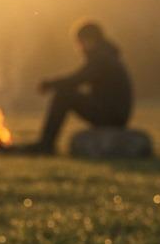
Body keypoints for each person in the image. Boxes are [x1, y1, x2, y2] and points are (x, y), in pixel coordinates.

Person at [28, 20, 133, 153]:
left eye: (79, 43)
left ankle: (46, 144)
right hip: (114, 115)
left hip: (111, 117)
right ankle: (45, 144)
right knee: (67, 92)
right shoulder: (106, 56)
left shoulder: (102, 58)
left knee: (64, 96)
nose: (79, 48)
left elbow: (78, 79)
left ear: (89, 40)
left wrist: (50, 85)